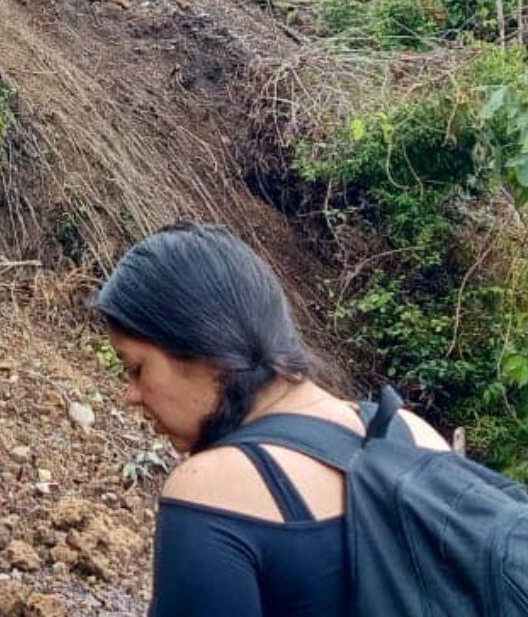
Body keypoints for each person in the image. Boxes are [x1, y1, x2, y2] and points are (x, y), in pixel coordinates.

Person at [95, 222, 450, 617]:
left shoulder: (213, 488)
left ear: (202, 346)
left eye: (137, 368)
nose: (131, 395)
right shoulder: (415, 434)